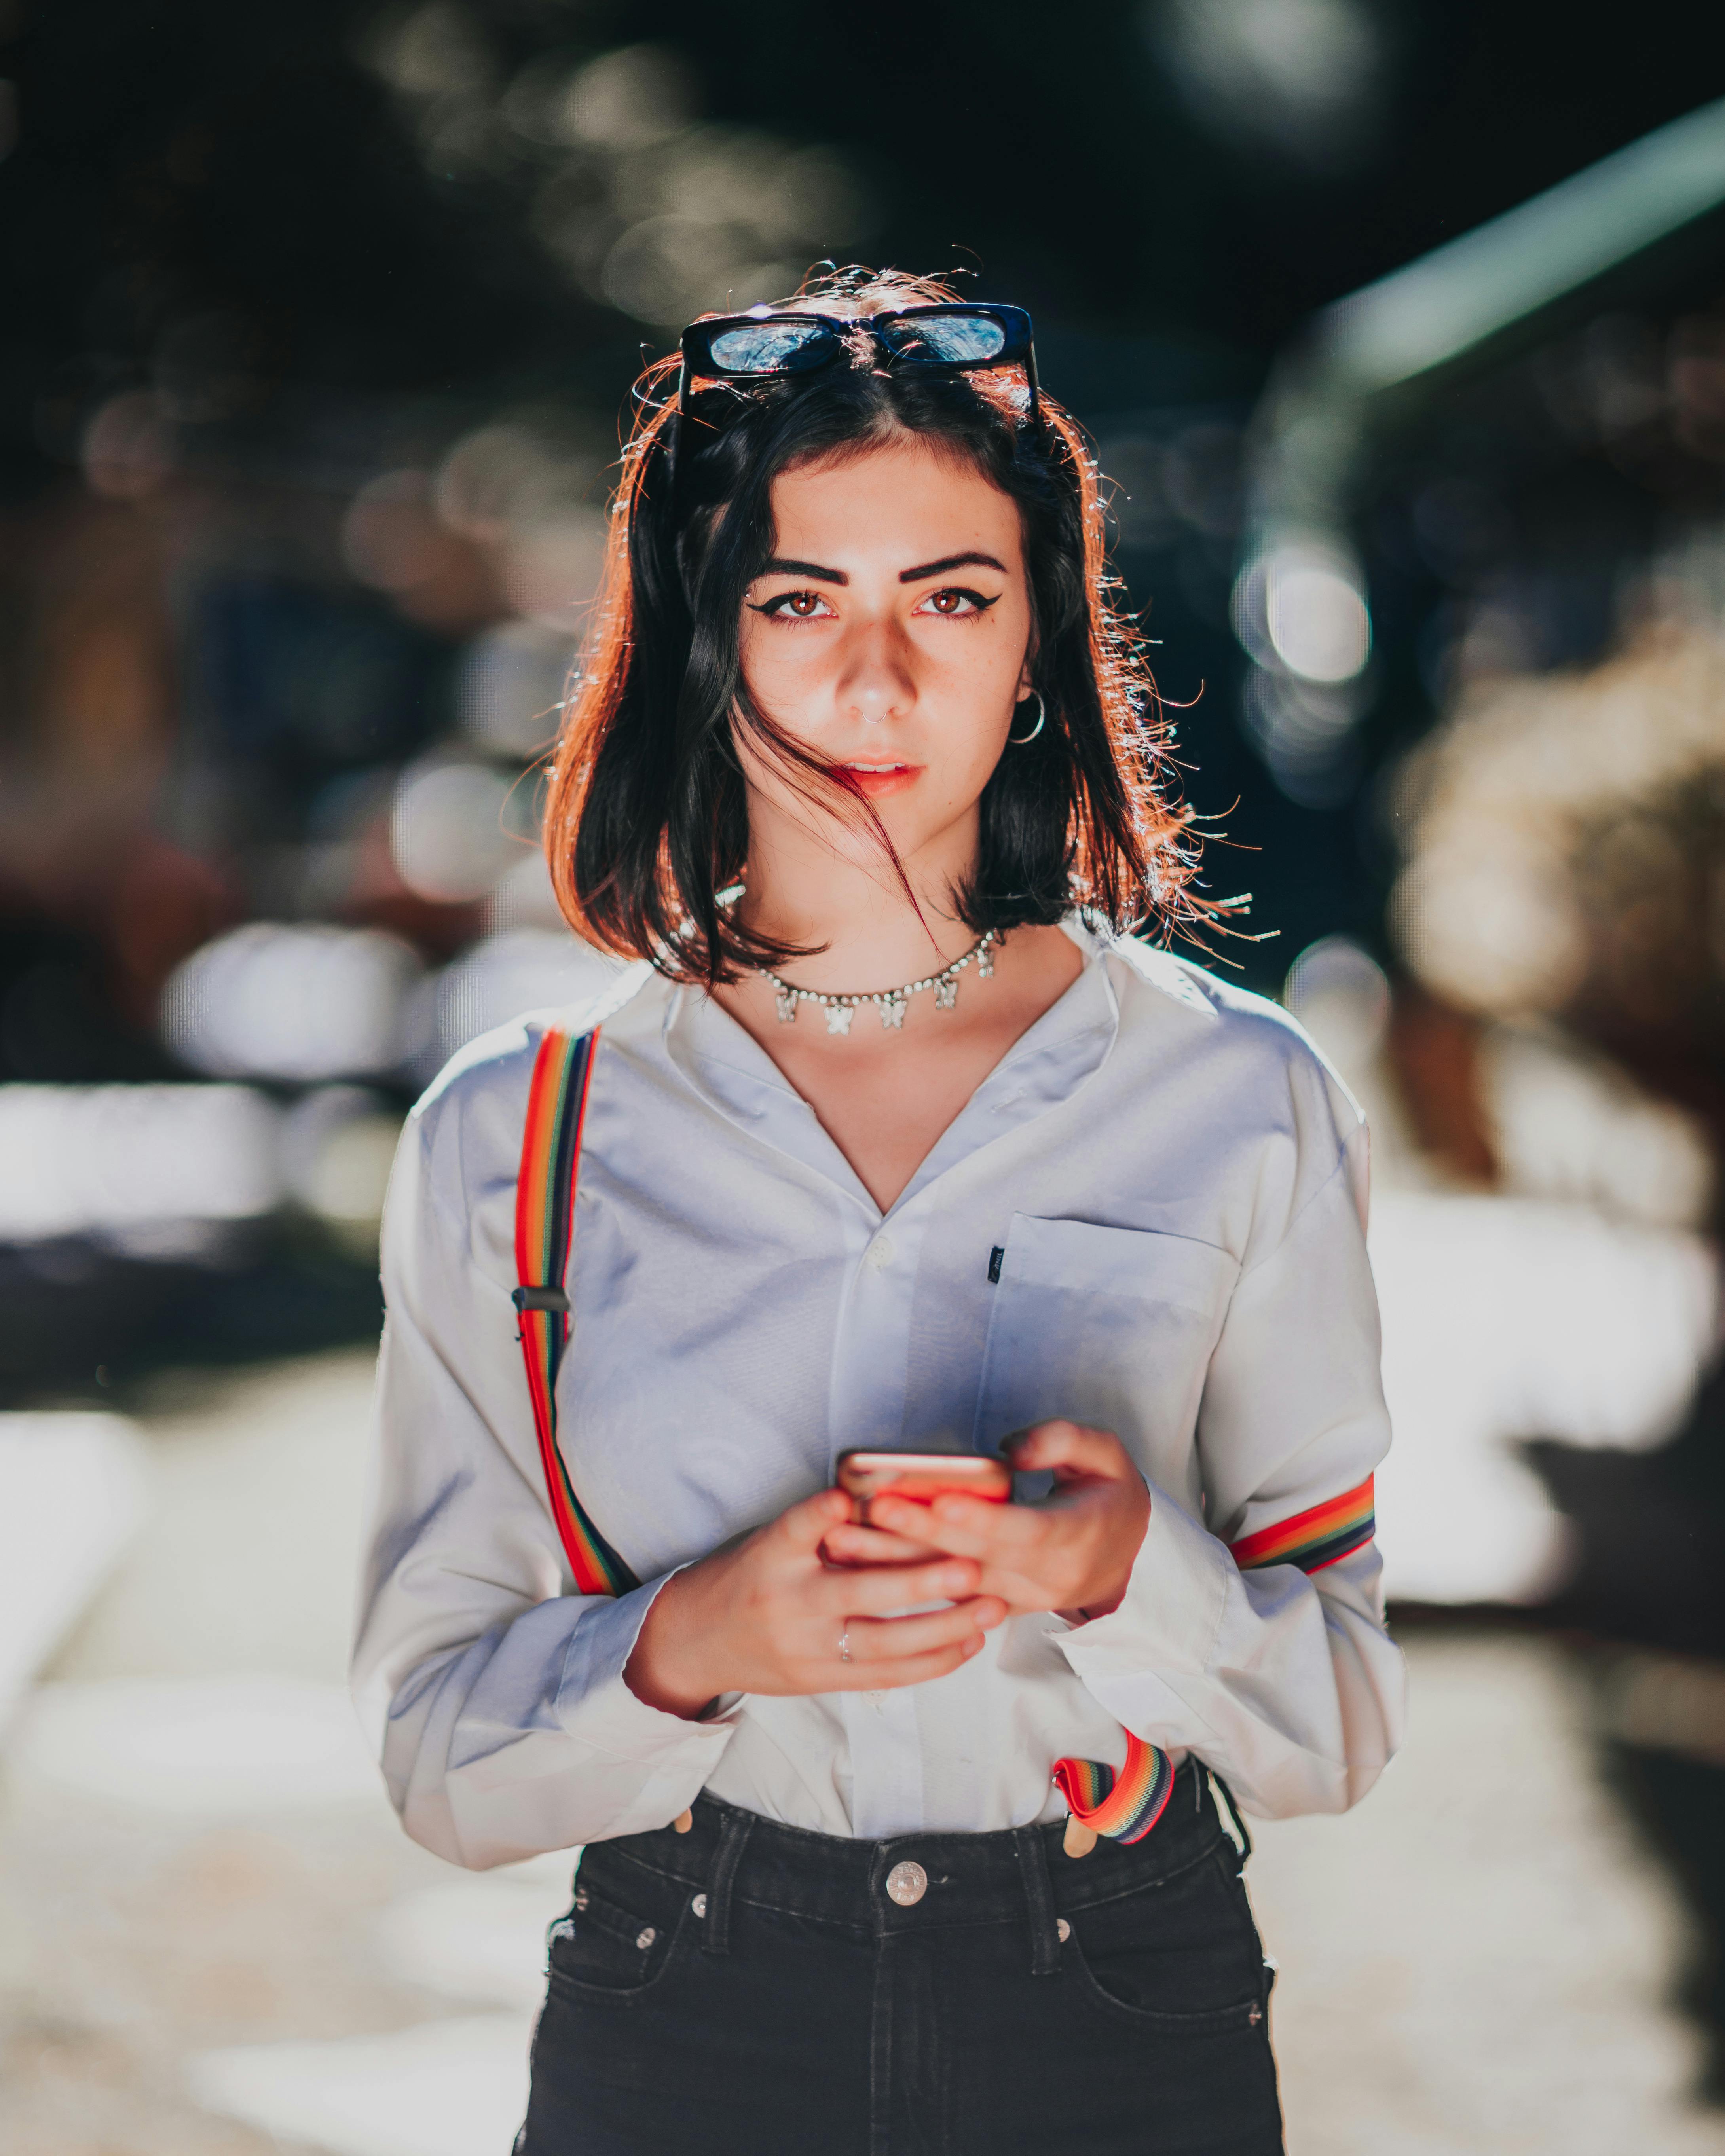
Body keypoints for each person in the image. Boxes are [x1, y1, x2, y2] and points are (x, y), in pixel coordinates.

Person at [352, 267, 1406, 2156]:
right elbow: (438, 1753)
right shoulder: (511, 1137)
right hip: (680, 2014)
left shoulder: (1239, 1097)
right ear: (700, 633)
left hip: (1119, 2001)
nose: (873, 680)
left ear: (1039, 642)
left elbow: (1331, 1721)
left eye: (952, 597)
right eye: (795, 599)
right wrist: (697, 1640)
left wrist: (1112, 1573)